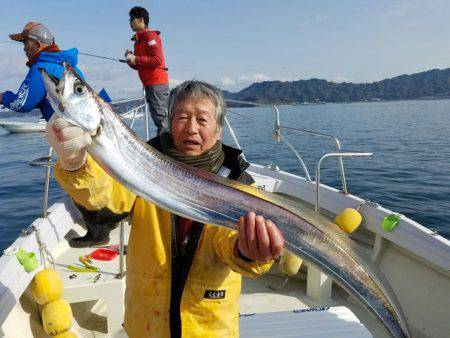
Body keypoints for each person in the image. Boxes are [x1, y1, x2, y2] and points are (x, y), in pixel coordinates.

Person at [46, 80, 285, 337]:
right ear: (170, 123)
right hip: (147, 326)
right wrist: (75, 164)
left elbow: (231, 244)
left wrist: (248, 252)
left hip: (208, 328)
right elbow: (106, 201)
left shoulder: (239, 183)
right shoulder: (141, 166)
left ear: (218, 130)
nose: (191, 128)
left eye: (202, 120)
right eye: (182, 117)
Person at [0, 22, 85, 121]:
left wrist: (3, 97)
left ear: (37, 44)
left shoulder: (40, 68)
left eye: (25, 43)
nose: (24, 48)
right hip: (82, 132)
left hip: (67, 134)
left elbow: (22, 104)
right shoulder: (74, 69)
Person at [125, 6, 170, 136]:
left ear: (140, 20)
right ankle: (164, 146)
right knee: (158, 118)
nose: (130, 22)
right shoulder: (138, 41)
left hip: (157, 83)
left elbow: (157, 60)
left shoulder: (150, 36)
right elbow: (139, 65)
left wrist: (136, 58)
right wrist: (131, 60)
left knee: (161, 119)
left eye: (131, 19)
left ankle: (167, 150)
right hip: (149, 84)